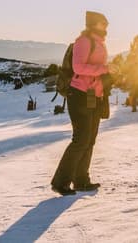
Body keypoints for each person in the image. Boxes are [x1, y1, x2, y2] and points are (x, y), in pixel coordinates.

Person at [51, 11, 110, 195]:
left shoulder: (99, 43)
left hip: (94, 96)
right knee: (81, 140)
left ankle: (81, 180)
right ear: (94, 24)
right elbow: (79, 67)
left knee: (90, 140)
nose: (106, 26)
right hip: (79, 95)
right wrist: (105, 69)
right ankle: (60, 182)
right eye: (103, 23)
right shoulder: (83, 41)